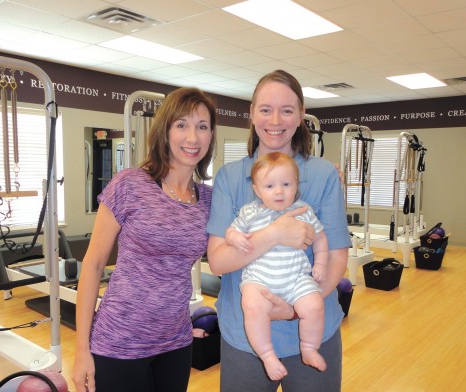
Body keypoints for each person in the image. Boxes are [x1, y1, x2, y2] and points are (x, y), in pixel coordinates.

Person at [207, 70, 351, 392]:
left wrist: (293, 310)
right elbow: (217, 262)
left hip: (314, 328)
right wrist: (274, 234)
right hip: (245, 337)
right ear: (252, 114)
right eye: (265, 109)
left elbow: (337, 256)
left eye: (287, 110)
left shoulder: (323, 174)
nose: (275, 120)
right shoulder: (230, 177)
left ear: (301, 115)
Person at [72, 87, 217, 392]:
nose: (192, 138)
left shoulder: (209, 199)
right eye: (182, 125)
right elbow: (93, 264)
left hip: (176, 342)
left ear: (211, 136)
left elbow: (263, 200)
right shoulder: (130, 184)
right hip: (118, 341)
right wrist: (81, 351)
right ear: (165, 131)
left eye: (202, 127)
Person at [226, 152, 328, 381]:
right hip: (259, 279)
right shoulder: (250, 212)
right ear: (257, 190)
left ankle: (309, 347)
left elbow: (321, 238)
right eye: (270, 185)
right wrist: (234, 238)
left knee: (314, 305)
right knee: (252, 307)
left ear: (296, 185)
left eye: (286, 184)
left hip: (296, 277)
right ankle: (267, 354)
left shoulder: (303, 210)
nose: (279, 191)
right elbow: (231, 231)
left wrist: (320, 262)